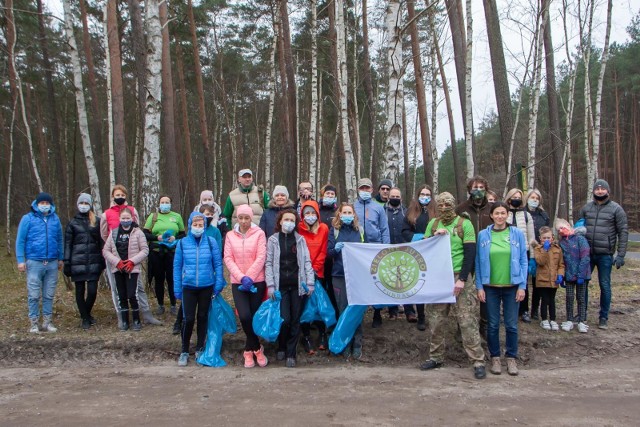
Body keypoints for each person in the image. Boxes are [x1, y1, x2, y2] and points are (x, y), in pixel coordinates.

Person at [419, 193, 485, 379]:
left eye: (448, 204)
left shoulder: (465, 224)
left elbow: (470, 253)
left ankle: (477, 360)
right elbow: (424, 248)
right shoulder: (433, 224)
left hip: (459, 276)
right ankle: (436, 357)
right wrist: (434, 236)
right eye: (441, 205)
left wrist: (462, 279)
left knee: (467, 320)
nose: (445, 207)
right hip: (439, 278)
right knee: (436, 320)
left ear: (454, 205)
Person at [476, 201, 528, 376]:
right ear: (491, 215)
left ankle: (511, 358)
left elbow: (523, 260)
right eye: (496, 213)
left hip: (512, 287)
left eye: (503, 213)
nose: (499, 216)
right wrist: (479, 286)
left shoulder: (516, 234)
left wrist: (522, 286)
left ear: (507, 215)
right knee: (492, 325)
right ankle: (495, 358)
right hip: (490, 287)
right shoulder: (483, 235)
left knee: (512, 325)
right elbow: (478, 261)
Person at [101, 185, 161, 326]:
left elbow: (137, 230)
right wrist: (115, 255)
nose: (120, 197)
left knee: (138, 287)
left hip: (133, 257)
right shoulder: (106, 214)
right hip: (116, 257)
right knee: (117, 288)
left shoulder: (133, 210)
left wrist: (133, 258)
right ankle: (122, 317)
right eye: (117, 194)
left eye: (122, 194)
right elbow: (104, 234)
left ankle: (146, 314)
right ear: (112, 196)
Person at [173, 212, 225, 366]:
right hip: (188, 287)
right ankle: (184, 350)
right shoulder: (182, 243)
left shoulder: (211, 242)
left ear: (204, 225)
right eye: (195, 225)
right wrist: (177, 287)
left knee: (202, 317)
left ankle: (200, 348)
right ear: (190, 225)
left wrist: (218, 283)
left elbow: (218, 264)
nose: (198, 227)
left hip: (206, 286)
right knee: (188, 319)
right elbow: (177, 266)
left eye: (200, 225)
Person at [265, 209, 315, 368]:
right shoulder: (272, 240)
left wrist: (310, 282)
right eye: (286, 219)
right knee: (285, 319)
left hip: (297, 287)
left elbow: (307, 262)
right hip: (280, 287)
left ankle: (291, 353)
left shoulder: (300, 240)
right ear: (280, 221)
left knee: (295, 320)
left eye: (292, 220)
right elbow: (268, 263)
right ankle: (281, 345)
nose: (289, 223)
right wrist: (271, 285)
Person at [578, 179, 628, 330]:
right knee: (583, 284)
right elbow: (578, 230)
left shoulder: (616, 209)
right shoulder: (586, 209)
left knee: (604, 285)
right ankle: (581, 315)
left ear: (608, 191)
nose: (600, 191)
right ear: (593, 191)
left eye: (602, 189)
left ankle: (603, 317)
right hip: (587, 254)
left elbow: (623, 232)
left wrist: (621, 255)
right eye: (597, 189)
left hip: (605, 255)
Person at [224, 204, 268, 368]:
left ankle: (249, 351)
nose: (243, 221)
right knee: (244, 316)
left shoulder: (259, 234)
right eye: (240, 217)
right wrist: (242, 277)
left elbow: (261, 256)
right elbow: (228, 258)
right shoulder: (230, 235)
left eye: (247, 218)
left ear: (251, 218)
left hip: (257, 281)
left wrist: (250, 276)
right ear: (236, 218)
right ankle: (256, 347)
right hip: (238, 282)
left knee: (254, 315)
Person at [15, 192, 64, 333]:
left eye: (47, 203)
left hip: (52, 262)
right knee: (34, 294)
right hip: (34, 261)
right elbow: (20, 240)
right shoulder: (28, 219)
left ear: (51, 205)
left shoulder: (55, 219)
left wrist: (60, 258)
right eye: (42, 203)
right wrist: (20, 260)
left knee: (49, 294)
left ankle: (47, 322)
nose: (44, 206)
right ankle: (34, 323)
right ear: (37, 204)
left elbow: (59, 240)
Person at [455, 176, 494, 336]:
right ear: (469, 190)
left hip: (488, 255)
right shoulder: (460, 209)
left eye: (481, 187)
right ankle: (463, 325)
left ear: (486, 189)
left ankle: (484, 324)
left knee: (486, 289)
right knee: (466, 292)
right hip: (467, 255)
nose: (478, 190)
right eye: (474, 187)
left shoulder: (492, 209)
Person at [327, 203, 365, 359]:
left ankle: (357, 343)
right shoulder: (334, 231)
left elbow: (366, 251)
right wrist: (335, 248)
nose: (347, 215)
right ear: (340, 214)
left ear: (354, 215)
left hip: (357, 276)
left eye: (350, 212)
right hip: (339, 275)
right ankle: (345, 342)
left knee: (356, 310)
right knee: (343, 310)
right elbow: (328, 253)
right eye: (345, 212)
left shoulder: (360, 231)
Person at [102, 207, 149, 332]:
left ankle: (136, 319)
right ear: (119, 219)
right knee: (121, 295)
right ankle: (124, 321)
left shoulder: (138, 232)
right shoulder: (114, 232)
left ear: (132, 218)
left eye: (128, 218)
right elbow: (106, 250)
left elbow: (145, 250)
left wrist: (132, 261)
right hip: (118, 268)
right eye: (123, 218)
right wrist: (116, 262)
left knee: (131, 294)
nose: (125, 220)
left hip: (132, 269)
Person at [63, 193, 105, 330]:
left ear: (90, 205)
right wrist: (67, 262)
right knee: (80, 291)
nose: (84, 206)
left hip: (93, 262)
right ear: (77, 205)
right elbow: (67, 244)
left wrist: (103, 260)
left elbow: (101, 243)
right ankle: (85, 318)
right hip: (77, 263)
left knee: (92, 291)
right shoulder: (72, 223)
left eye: (86, 203)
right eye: (82, 203)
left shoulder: (97, 221)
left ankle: (85, 313)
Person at [354, 178, 390, 328]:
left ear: (372, 190)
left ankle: (377, 312)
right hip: (358, 249)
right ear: (358, 190)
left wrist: (385, 248)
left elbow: (384, 229)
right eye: (362, 188)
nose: (365, 191)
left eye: (367, 188)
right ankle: (359, 312)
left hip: (375, 248)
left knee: (376, 280)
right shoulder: (352, 206)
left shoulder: (378, 208)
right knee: (360, 280)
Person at [143, 195, 185, 316]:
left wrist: (175, 238)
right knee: (159, 279)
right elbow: (145, 234)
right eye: (162, 202)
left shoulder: (177, 216)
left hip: (172, 252)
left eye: (167, 202)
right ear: (159, 204)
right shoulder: (153, 217)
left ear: (171, 203)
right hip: (157, 252)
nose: (165, 204)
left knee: (172, 279)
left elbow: (183, 234)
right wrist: (157, 237)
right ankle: (160, 304)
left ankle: (173, 304)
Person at [401, 185, 436, 330]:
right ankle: (420, 316)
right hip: (416, 252)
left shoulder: (436, 211)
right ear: (418, 195)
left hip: (434, 252)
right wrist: (417, 237)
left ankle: (434, 314)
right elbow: (404, 231)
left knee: (433, 283)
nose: (425, 196)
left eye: (428, 194)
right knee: (419, 283)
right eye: (422, 194)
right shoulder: (411, 211)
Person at [298, 200, 330, 353]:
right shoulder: (298, 229)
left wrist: (315, 269)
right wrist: (306, 271)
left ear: (317, 214)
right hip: (301, 274)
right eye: (307, 213)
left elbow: (324, 250)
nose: (310, 216)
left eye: (313, 213)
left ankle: (323, 334)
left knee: (319, 305)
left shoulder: (323, 228)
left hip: (318, 272)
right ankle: (305, 336)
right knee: (304, 306)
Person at [505, 188, 535, 323]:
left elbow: (531, 236)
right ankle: (509, 310)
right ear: (509, 198)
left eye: (518, 197)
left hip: (524, 251)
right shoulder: (504, 213)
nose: (516, 199)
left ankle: (524, 310)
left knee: (523, 282)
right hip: (507, 251)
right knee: (508, 281)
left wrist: (533, 256)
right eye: (514, 197)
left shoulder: (526, 215)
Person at [556, 219, 591, 333]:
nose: (561, 230)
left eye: (562, 227)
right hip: (569, 275)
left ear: (568, 225)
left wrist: (581, 275)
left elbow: (585, 257)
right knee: (569, 298)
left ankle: (581, 320)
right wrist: (562, 275)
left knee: (581, 298)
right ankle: (569, 319)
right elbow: (561, 260)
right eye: (558, 229)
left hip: (582, 275)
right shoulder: (561, 243)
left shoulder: (580, 239)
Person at [531, 226, 565, 331]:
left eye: (548, 238)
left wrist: (560, 275)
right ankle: (544, 319)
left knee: (552, 300)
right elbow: (540, 262)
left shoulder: (557, 249)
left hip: (553, 280)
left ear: (552, 238)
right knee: (545, 300)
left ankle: (553, 319)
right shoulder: (537, 249)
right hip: (542, 280)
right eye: (544, 238)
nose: (546, 240)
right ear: (540, 238)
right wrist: (545, 250)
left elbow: (561, 264)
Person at [525, 189, 551, 321]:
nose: (534, 200)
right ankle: (523, 309)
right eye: (532, 197)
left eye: (537, 198)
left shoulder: (543, 215)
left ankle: (535, 309)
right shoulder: (522, 213)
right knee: (524, 281)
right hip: (525, 250)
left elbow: (547, 231)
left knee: (537, 282)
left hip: (539, 250)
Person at [382, 187, 406, 320]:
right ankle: (392, 310)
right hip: (388, 250)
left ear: (401, 198)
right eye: (393, 196)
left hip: (403, 250)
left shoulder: (406, 212)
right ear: (388, 197)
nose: (395, 198)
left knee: (404, 278)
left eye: (397, 197)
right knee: (390, 279)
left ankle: (407, 308)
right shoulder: (383, 211)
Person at [318, 184, 339, 311]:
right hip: (318, 253)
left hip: (332, 254)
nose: (330, 196)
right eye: (327, 194)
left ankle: (334, 312)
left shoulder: (337, 212)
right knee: (319, 285)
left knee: (331, 286)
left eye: (332, 194)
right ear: (322, 195)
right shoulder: (317, 210)